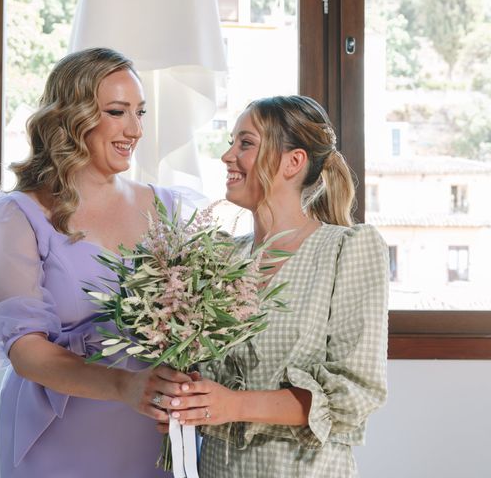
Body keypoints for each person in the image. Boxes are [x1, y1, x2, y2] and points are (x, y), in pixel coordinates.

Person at [0, 48, 189, 477]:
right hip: (59, 429)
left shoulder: (166, 207)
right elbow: (26, 352)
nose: (134, 129)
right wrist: (124, 386)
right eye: (117, 111)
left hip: (152, 430)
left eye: (140, 112)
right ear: (70, 118)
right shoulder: (19, 216)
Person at [164, 95, 389, 477]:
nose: (227, 156)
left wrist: (233, 405)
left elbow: (356, 393)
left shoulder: (346, 250)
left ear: (293, 161)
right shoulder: (217, 258)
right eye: (232, 141)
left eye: (245, 143)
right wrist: (182, 401)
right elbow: (200, 379)